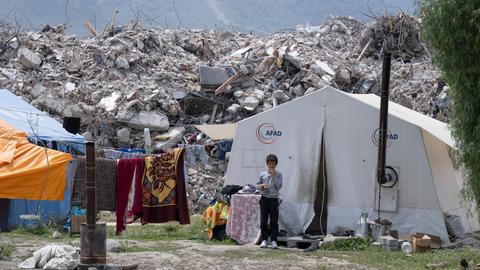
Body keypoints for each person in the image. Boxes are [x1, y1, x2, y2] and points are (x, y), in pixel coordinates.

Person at [257, 154, 283, 249]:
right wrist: (262, 186)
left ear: (276, 164)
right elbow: (257, 186)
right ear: (267, 164)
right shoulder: (262, 174)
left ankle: (274, 240)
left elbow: (279, 186)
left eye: (273, 163)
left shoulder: (279, 174)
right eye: (270, 163)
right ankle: (264, 240)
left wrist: (274, 176)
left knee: (274, 221)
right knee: (263, 220)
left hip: (274, 199)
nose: (271, 165)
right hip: (264, 198)